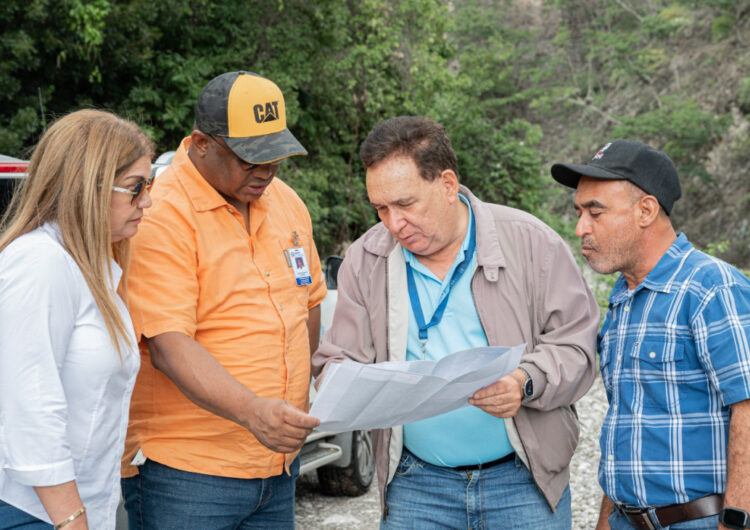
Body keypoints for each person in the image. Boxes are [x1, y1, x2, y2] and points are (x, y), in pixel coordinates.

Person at [312, 116, 600, 528]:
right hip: (416, 487)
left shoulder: (531, 242)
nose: (394, 224)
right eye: (381, 209)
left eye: (406, 204)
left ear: (447, 185)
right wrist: (337, 384)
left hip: (523, 483)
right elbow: (339, 359)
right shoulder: (365, 259)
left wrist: (525, 381)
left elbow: (578, 347)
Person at [120, 71, 326, 529]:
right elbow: (170, 349)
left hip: (277, 467)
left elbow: (306, 305)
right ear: (200, 144)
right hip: (187, 475)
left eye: (275, 157)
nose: (267, 172)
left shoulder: (286, 202)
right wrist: (255, 411)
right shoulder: (160, 214)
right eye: (250, 159)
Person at [551, 139, 750, 530]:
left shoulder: (711, 288)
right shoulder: (624, 299)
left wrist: (737, 522)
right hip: (629, 520)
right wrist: (607, 521)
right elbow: (629, 420)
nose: (580, 228)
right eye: (578, 212)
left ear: (646, 210)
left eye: (595, 212)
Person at [0, 109, 153, 529]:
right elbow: (30, 409)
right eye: (136, 188)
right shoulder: (39, 262)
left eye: (149, 185)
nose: (148, 201)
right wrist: (71, 519)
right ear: (89, 185)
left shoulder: (93, 268)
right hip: (31, 512)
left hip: (72, 508)